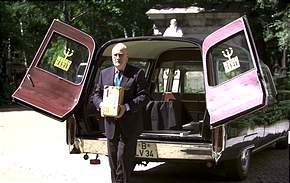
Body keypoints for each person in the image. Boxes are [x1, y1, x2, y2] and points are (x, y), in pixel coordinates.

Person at [92, 43, 149, 183]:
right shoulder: (105, 73)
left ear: (126, 57)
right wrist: (101, 104)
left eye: (120, 55)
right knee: (113, 161)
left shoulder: (137, 73)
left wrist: (126, 107)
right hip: (111, 125)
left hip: (129, 126)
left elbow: (144, 96)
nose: (117, 57)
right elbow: (96, 94)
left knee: (123, 160)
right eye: (115, 55)